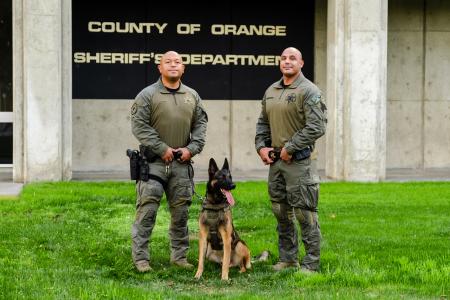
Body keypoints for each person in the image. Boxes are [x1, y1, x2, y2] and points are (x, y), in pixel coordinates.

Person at [130, 51, 208, 272]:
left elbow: (200, 126)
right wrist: (161, 148)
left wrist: (190, 150)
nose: (173, 65)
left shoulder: (192, 95)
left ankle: (179, 257)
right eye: (168, 62)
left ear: (183, 68)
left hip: (181, 165)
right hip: (153, 164)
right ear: (160, 68)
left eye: (178, 62)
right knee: (147, 212)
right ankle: (141, 260)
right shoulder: (147, 95)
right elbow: (139, 127)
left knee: (181, 214)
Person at [255, 47, 327, 273]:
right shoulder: (271, 90)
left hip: (298, 163)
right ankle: (288, 259)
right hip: (276, 163)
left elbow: (317, 126)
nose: (287, 62)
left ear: (301, 63)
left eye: (292, 58)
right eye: (284, 58)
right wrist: (261, 147)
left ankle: (311, 263)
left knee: (304, 214)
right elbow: (263, 123)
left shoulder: (309, 91)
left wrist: (291, 148)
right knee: (280, 211)